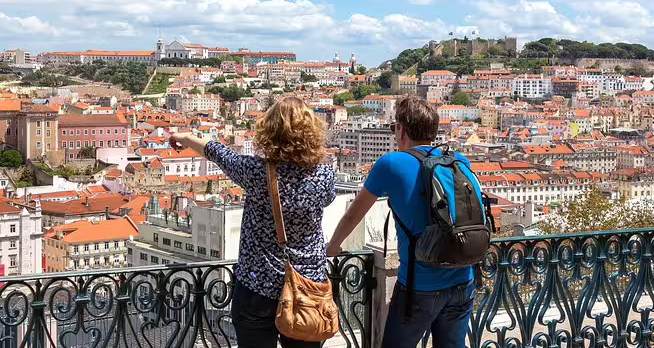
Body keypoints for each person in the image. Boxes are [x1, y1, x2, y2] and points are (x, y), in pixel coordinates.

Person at [170, 97, 336, 348]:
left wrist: (183, 137)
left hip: (258, 286)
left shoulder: (256, 171)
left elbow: (216, 151)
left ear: (269, 131)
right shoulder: (324, 176)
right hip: (307, 289)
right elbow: (327, 200)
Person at [327, 96, 475, 348]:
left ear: (402, 129)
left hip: (420, 286)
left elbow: (354, 214)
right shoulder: (458, 160)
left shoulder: (391, 163)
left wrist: (333, 246)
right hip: (464, 280)